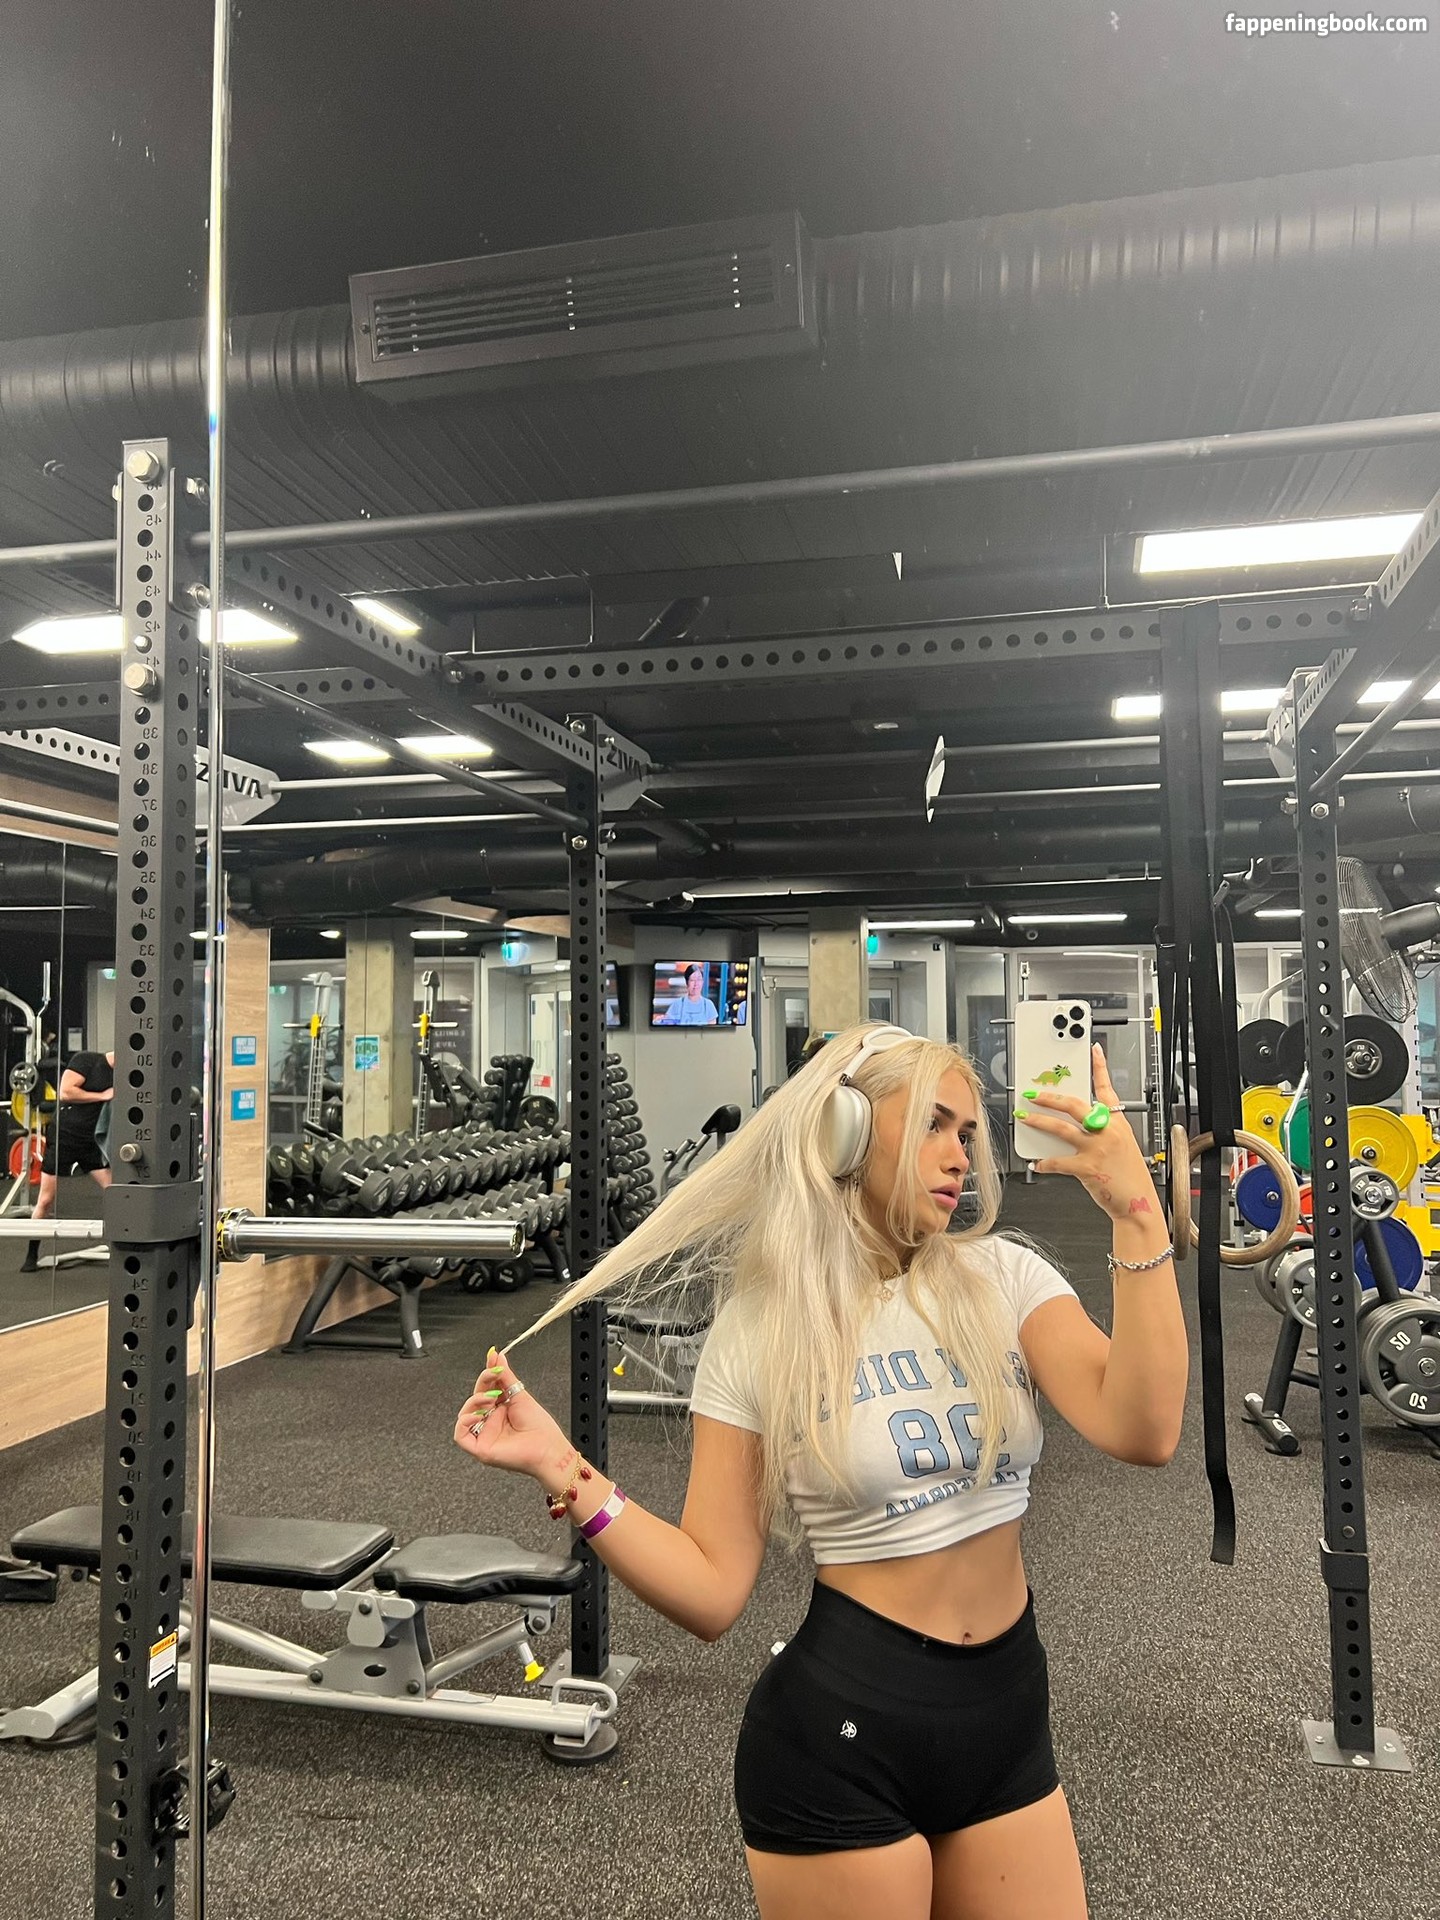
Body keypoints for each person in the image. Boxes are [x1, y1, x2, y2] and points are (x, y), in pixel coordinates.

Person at [455, 1025, 1187, 1920]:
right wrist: (561, 1466)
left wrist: (1136, 1213)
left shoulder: (1004, 1277)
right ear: (846, 1132)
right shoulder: (764, 1328)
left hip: (1007, 1714)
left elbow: (1144, 1429)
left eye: (967, 1133)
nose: (959, 1155)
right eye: (933, 1124)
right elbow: (713, 1590)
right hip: (844, 1735)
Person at [21, 1047, 115, 1272]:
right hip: (64, 1136)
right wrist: (102, 1095)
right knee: (45, 1200)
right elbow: (66, 1092)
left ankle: (124, 1246)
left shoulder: (124, 1075)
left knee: (117, 1192)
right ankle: (31, 1255)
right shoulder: (87, 1060)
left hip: (90, 1142)